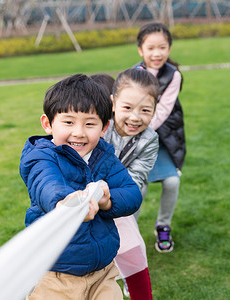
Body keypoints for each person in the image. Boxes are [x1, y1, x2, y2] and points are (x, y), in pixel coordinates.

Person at [19, 74, 142, 300]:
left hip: (102, 272)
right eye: (68, 122)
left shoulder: (104, 157)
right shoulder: (41, 157)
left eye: (89, 123)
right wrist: (64, 202)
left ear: (104, 127)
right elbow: (45, 183)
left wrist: (108, 201)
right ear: (48, 124)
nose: (78, 132)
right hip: (54, 274)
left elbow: (132, 193)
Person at [94, 69, 159, 300]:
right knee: (95, 255)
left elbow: (136, 178)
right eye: (127, 108)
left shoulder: (149, 139)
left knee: (133, 251)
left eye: (145, 110)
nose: (135, 117)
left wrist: (110, 195)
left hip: (122, 200)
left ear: (154, 111)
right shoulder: (100, 126)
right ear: (113, 103)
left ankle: (138, 292)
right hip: (90, 199)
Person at [134, 22, 186, 253]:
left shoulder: (173, 75)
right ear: (140, 50)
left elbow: (163, 110)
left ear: (169, 48)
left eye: (162, 47)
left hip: (163, 138)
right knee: (138, 187)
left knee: (172, 181)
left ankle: (163, 226)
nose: (157, 53)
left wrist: (144, 130)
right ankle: (127, 231)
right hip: (135, 139)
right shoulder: (133, 75)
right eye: (151, 48)